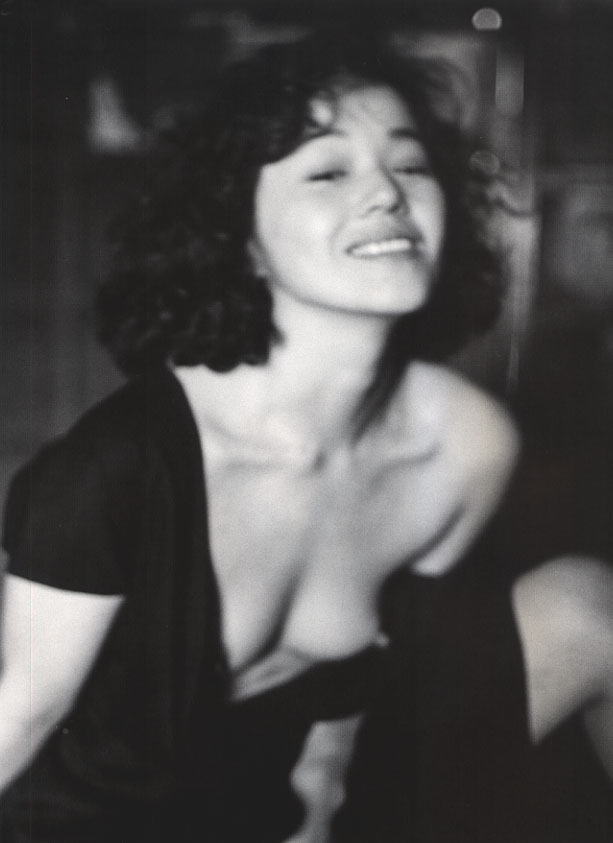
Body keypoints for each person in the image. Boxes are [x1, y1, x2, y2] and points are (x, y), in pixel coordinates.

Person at [0, 28, 610, 843]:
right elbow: (21, 714)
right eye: (327, 170)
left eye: (410, 164)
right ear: (239, 236)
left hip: (293, 805)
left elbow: (378, 679)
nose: (386, 192)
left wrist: (318, 801)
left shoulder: (466, 443)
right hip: (100, 825)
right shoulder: (116, 468)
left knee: (588, 603)